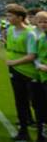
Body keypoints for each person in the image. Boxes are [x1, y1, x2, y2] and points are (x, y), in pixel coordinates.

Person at [6, 3, 41, 141]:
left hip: (29, 72)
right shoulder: (10, 30)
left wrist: (13, 62)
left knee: (36, 103)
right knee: (20, 102)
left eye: (10, 16)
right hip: (15, 70)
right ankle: (23, 131)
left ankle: (41, 133)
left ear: (20, 17)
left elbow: (32, 55)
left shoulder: (30, 33)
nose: (7, 18)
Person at [33, 11, 47, 142]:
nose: (43, 24)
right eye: (40, 22)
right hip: (42, 78)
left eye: (46, 22)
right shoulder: (42, 38)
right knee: (40, 108)